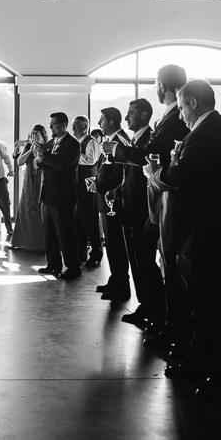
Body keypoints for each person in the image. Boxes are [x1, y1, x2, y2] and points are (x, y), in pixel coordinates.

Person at [148, 80, 221, 404]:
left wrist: (155, 173)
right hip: (203, 232)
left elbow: (180, 175)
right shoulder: (210, 130)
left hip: (208, 233)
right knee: (204, 307)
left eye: (180, 108)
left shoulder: (209, 133)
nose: (180, 115)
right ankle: (200, 363)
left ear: (191, 102)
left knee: (213, 308)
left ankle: (219, 377)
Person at [112, 64, 191, 354]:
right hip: (147, 201)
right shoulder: (170, 118)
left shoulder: (172, 121)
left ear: (163, 86)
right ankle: (155, 311)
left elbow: (148, 155)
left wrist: (118, 152)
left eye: (156, 83)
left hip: (161, 204)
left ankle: (167, 319)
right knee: (145, 262)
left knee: (157, 264)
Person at [116, 99, 165, 329]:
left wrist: (149, 215)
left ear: (144, 115)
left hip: (143, 211)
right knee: (136, 261)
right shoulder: (134, 140)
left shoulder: (149, 141)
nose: (126, 119)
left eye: (131, 114)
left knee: (146, 262)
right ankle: (145, 303)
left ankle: (157, 309)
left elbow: (149, 180)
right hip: (129, 208)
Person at [32, 112, 80, 279]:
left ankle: (73, 267)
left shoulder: (73, 144)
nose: (50, 126)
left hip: (63, 195)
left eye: (53, 124)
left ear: (63, 125)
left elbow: (63, 165)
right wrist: (38, 160)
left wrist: (44, 156)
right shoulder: (51, 142)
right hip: (47, 194)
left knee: (65, 233)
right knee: (49, 233)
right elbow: (45, 163)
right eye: (50, 123)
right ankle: (53, 264)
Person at [93, 107, 130, 299]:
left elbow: (119, 174)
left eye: (101, 120)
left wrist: (102, 187)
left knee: (115, 242)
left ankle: (121, 284)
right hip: (106, 198)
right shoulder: (110, 140)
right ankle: (115, 279)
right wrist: (97, 181)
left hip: (113, 200)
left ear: (111, 123)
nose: (99, 124)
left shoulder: (120, 141)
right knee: (111, 242)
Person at [71, 116, 102, 267]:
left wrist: (73, 155)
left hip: (88, 184)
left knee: (90, 219)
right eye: (72, 126)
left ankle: (96, 252)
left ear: (85, 127)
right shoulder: (76, 143)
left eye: (76, 126)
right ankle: (81, 252)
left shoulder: (91, 142)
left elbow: (90, 160)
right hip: (77, 184)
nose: (73, 129)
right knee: (78, 220)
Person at [10, 125, 47, 251]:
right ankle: (23, 241)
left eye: (37, 134)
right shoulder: (28, 147)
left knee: (41, 209)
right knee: (26, 208)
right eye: (32, 134)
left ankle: (41, 243)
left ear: (43, 135)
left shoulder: (47, 146)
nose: (35, 136)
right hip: (29, 181)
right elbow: (20, 162)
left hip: (42, 180)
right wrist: (30, 150)